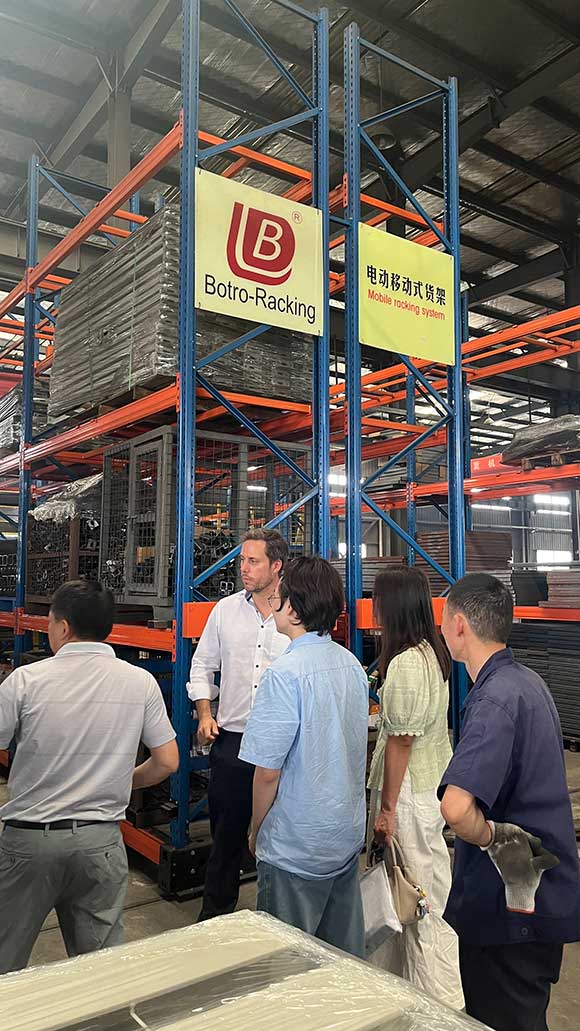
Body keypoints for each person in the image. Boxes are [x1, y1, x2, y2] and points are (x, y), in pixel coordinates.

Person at [0, 580, 178, 974]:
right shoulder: (140, 682)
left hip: (31, 842)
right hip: (101, 844)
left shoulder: (26, 681)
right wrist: (118, 781)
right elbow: (167, 761)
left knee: (4, 963)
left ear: (63, 627)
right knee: (98, 972)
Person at [439, 573, 580, 1031]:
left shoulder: (494, 700)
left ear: (459, 625)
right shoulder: (528, 682)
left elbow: (456, 808)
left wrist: (489, 836)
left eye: (444, 618)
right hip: (538, 898)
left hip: (509, 911)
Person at [239, 556, 369, 958]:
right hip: (345, 837)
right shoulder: (352, 665)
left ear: (293, 609)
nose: (272, 604)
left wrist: (256, 829)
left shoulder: (284, 674)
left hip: (296, 846)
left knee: (287, 967)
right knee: (342, 963)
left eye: (277, 597)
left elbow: (267, 773)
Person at [367, 567, 463, 1008]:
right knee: (423, 897)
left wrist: (386, 810)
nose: (374, 609)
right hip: (429, 789)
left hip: (407, 796)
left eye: (378, 601)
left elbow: (401, 742)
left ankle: (437, 1006)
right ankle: (411, 995)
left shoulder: (406, 662)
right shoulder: (432, 652)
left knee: (415, 904)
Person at [187, 528, 290, 921]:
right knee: (225, 838)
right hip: (233, 743)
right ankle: (215, 918)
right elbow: (202, 665)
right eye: (242, 560)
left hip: (284, 746)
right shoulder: (225, 611)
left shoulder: (295, 613)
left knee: (279, 838)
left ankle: (276, 920)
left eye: (253, 561)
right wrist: (205, 713)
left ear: (276, 566)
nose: (243, 568)